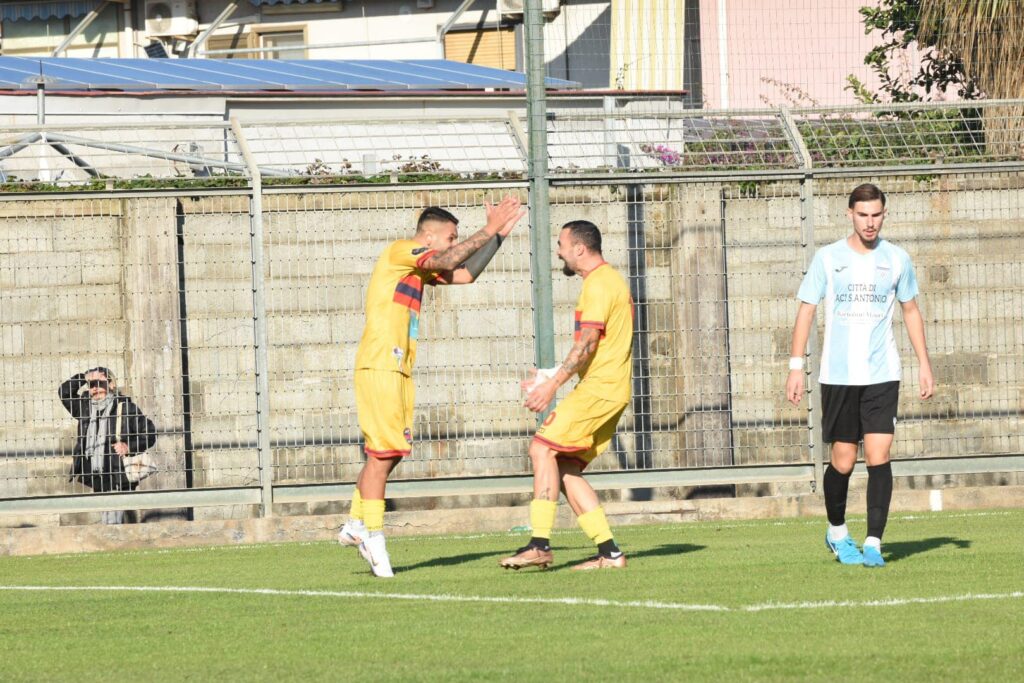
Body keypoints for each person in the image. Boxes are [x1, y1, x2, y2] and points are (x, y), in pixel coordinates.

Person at [338, 197, 525, 578]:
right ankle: (373, 538)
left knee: (389, 454)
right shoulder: (402, 250)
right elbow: (446, 259)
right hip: (379, 366)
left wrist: (497, 238)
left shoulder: (418, 269)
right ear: (430, 234)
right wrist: (487, 229)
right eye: (451, 236)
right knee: (382, 454)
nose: (454, 242)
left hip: (398, 369)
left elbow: (465, 273)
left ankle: (357, 524)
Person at [786, 183, 934, 568]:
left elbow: (911, 311)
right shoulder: (828, 258)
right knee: (844, 461)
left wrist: (924, 364)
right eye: (863, 215)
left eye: (877, 215)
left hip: (882, 373)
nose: (870, 223)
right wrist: (795, 367)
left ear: (885, 215)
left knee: (879, 453)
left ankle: (873, 542)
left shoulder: (897, 259)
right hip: (838, 376)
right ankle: (836, 531)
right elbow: (806, 310)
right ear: (849, 214)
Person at [500, 220, 633, 571]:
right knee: (565, 467)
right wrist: (551, 375)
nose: (557, 251)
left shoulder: (599, 284)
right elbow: (597, 346)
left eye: (560, 244)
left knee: (541, 447)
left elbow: (587, 343)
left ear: (579, 249)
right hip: (609, 390)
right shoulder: (605, 282)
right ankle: (610, 553)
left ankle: (539, 544)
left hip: (600, 390)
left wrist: (552, 385)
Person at [59, 367, 157, 524]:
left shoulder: (125, 408)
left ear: (111, 385)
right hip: (97, 473)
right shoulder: (85, 407)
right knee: (108, 513)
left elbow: (150, 433)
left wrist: (128, 446)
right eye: (91, 385)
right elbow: (63, 393)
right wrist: (83, 377)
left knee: (112, 516)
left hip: (118, 471)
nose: (95, 388)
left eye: (99, 383)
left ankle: (113, 540)